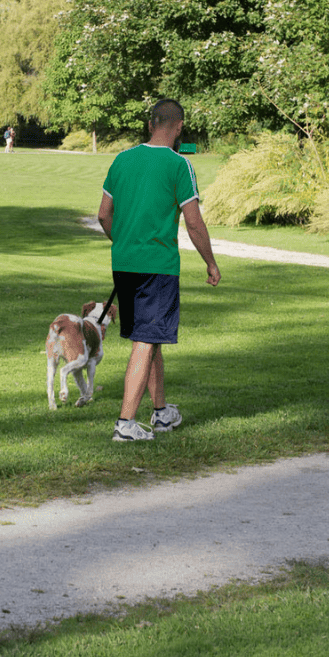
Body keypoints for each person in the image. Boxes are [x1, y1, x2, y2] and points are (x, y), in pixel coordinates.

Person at [96, 98, 222, 442]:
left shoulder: (122, 160)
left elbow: (104, 215)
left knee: (152, 341)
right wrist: (210, 263)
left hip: (123, 264)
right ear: (178, 127)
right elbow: (194, 223)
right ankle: (125, 424)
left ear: (151, 123)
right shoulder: (179, 165)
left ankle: (161, 413)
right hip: (158, 267)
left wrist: (123, 243)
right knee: (146, 341)